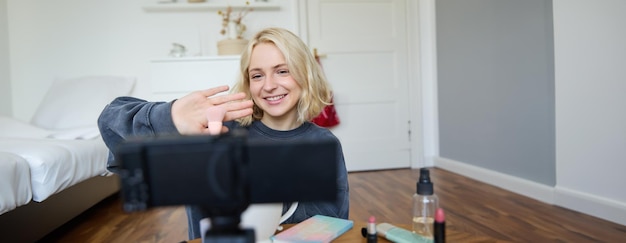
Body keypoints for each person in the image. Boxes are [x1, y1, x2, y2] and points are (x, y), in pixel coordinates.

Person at [97, 27, 349, 240]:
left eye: (282, 71)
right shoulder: (218, 135)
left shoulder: (324, 143)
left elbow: (331, 222)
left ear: (305, 74)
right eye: (257, 75)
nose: (269, 85)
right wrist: (172, 117)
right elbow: (110, 123)